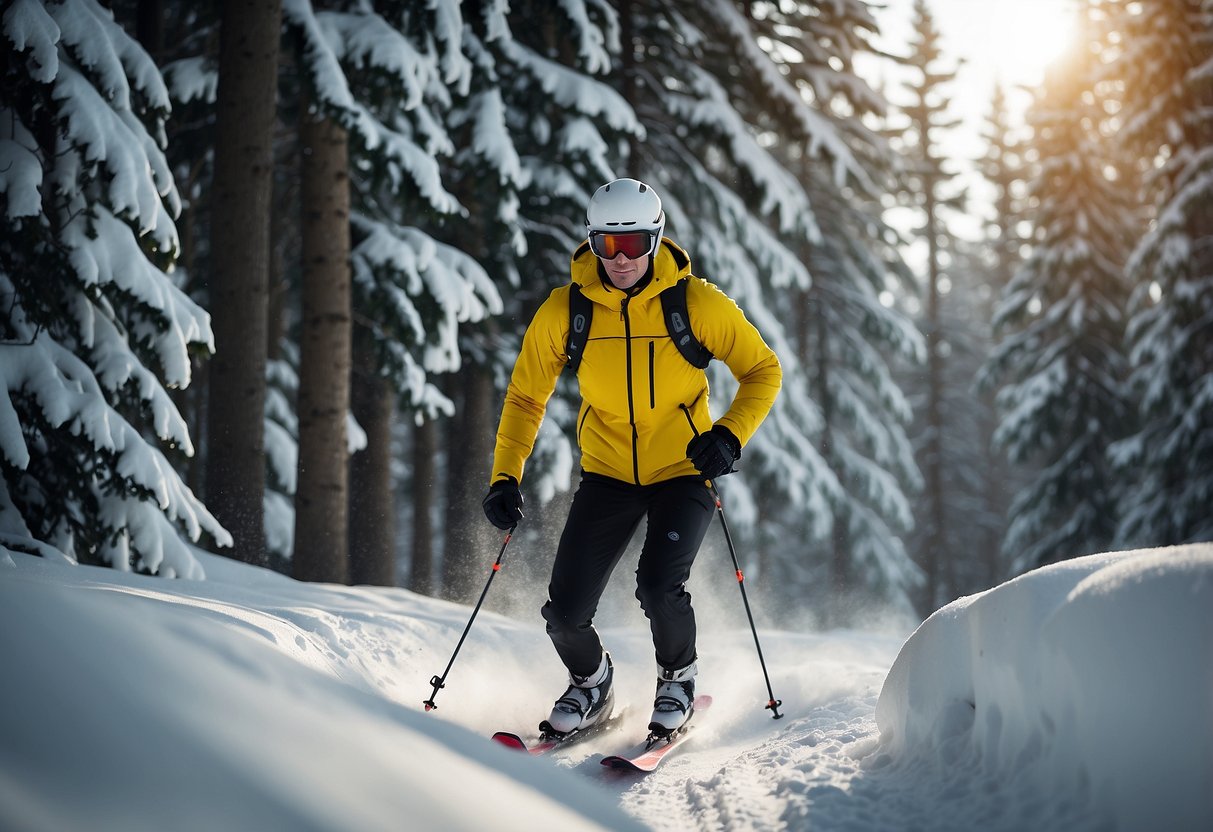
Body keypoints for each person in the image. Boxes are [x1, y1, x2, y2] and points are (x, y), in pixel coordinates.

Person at [482, 178, 781, 738]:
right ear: (592, 243)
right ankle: (592, 682)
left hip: (683, 470)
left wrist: (729, 435)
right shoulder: (566, 312)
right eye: (607, 245)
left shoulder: (696, 304)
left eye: (634, 244)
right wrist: (505, 477)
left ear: (656, 238)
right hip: (608, 474)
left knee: (658, 586)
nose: (620, 260)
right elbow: (526, 395)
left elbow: (763, 370)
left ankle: (677, 678)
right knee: (565, 612)